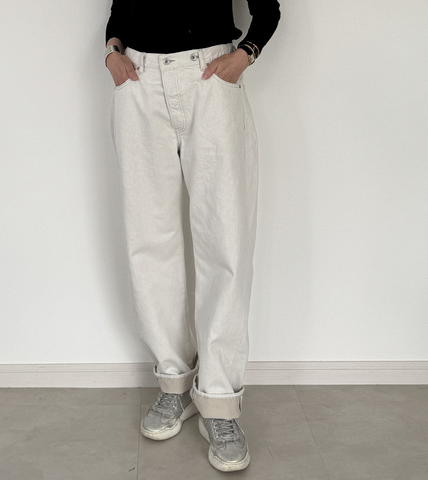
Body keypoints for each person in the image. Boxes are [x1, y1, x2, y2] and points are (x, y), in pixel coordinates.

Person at [105, 0, 280, 472]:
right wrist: (112, 51)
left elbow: (268, 8)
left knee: (225, 241)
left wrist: (245, 54)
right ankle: (174, 383)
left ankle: (220, 402)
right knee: (148, 239)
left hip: (210, 77)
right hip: (137, 81)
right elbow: (122, 7)